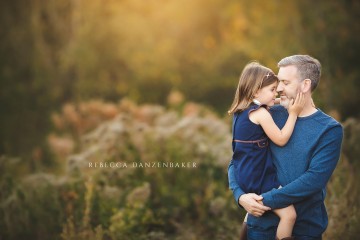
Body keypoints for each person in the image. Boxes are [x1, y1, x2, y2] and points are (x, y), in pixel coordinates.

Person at [228, 55, 343, 240]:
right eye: (277, 83)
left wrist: (263, 200)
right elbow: (237, 159)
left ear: (305, 85)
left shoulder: (329, 130)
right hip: (259, 229)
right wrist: (240, 196)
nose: (279, 88)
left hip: (303, 231)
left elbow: (313, 181)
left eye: (285, 82)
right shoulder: (267, 113)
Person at [228, 62, 305, 240]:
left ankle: (244, 233)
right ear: (256, 91)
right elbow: (280, 138)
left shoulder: (241, 112)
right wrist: (294, 113)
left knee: (254, 209)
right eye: (272, 90)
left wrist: (280, 101)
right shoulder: (261, 114)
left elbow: (267, 102)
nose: (276, 93)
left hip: (244, 176)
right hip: (260, 178)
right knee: (289, 215)